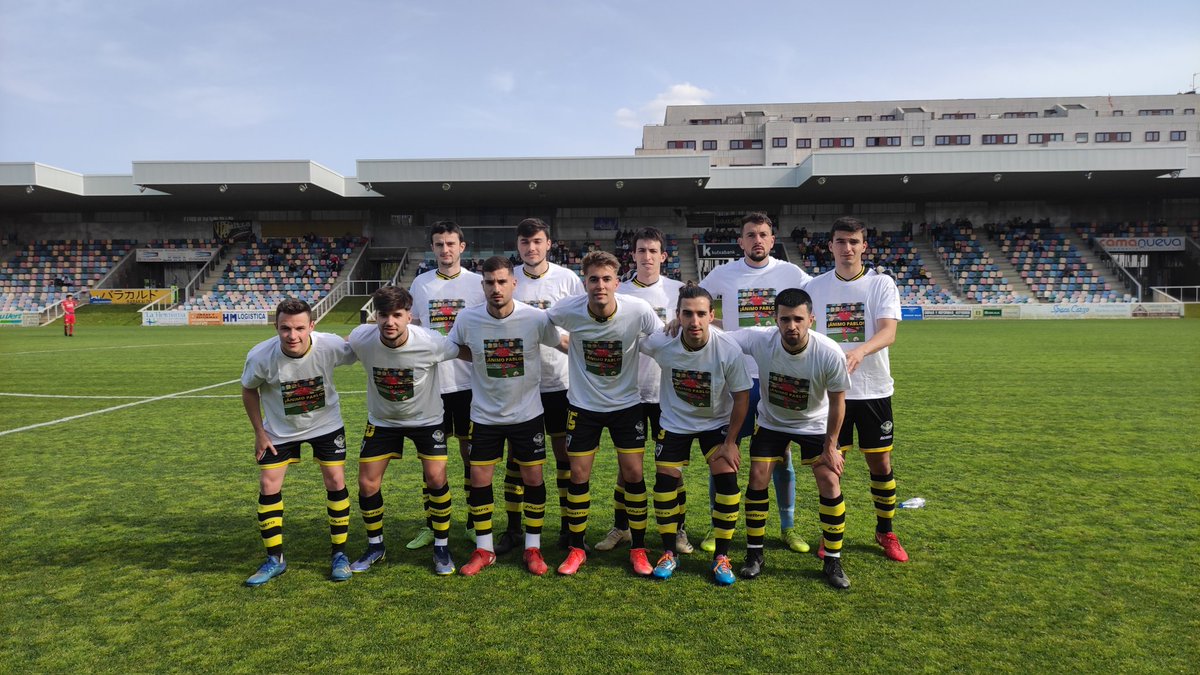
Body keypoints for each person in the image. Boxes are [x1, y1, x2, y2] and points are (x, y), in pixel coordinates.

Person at [698, 212, 813, 554]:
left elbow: (812, 306)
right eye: (750, 235)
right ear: (741, 241)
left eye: (763, 234)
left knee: (781, 455)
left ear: (772, 240)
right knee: (722, 454)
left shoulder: (792, 273)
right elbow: (698, 305)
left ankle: (788, 526)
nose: (757, 240)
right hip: (734, 378)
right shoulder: (723, 273)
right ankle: (717, 524)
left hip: (777, 376)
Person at [448, 256, 567, 576]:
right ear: (482, 285)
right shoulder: (468, 319)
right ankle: (484, 550)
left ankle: (533, 547)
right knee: (479, 480)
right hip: (484, 416)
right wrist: (478, 356)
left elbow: (563, 343)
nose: (496, 288)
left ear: (514, 283)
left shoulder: (535, 318)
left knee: (533, 480)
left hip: (528, 414)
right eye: (489, 282)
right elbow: (454, 346)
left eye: (502, 282)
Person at [725, 288, 852, 589]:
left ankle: (833, 559)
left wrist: (831, 447)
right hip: (772, 422)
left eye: (798, 319)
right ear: (776, 320)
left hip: (814, 424)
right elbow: (721, 337)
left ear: (811, 319)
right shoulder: (761, 339)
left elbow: (838, 402)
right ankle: (755, 554)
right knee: (757, 476)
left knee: (830, 480)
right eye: (785, 319)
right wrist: (686, 323)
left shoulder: (828, 351)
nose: (791, 326)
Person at [546, 251, 664, 576]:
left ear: (617, 281)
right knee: (579, 476)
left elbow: (662, 336)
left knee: (634, 476)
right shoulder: (568, 309)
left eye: (606, 279)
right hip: (583, 407)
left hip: (627, 406)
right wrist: (563, 344)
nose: (600, 285)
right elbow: (541, 326)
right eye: (594, 279)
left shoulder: (637, 309)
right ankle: (576, 548)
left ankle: (638, 548)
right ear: (585, 281)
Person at [803, 217, 908, 562]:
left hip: (873, 390)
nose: (847, 248)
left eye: (853, 241)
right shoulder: (815, 287)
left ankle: (885, 531)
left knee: (880, 463)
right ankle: (830, 535)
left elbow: (888, 332)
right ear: (830, 246)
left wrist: (860, 351)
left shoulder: (881, 284)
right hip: (832, 394)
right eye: (840, 241)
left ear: (864, 246)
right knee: (831, 466)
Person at [345, 286, 465, 576]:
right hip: (383, 421)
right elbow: (335, 349)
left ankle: (441, 546)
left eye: (397, 315)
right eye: (383, 315)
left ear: (409, 316)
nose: (390, 322)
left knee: (437, 478)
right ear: (375, 316)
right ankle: (376, 546)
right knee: (367, 484)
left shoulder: (431, 342)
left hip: (427, 420)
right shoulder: (363, 338)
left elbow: (464, 351)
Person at [241, 298, 358, 586]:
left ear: (311, 327)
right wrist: (259, 431)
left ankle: (339, 555)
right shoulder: (260, 356)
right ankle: (274, 559)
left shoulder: (329, 345)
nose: (292, 336)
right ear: (276, 327)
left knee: (335, 480)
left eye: (299, 328)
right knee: (268, 484)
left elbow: (359, 348)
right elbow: (248, 390)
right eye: (285, 329)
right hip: (280, 431)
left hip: (326, 425)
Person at [640, 284, 751, 585]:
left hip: (715, 424)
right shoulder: (664, 343)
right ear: (677, 315)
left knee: (727, 479)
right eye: (687, 314)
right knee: (664, 482)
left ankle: (722, 557)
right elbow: (630, 335)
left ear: (712, 315)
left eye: (701, 313)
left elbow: (742, 396)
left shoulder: (727, 349)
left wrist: (730, 442)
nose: (694, 321)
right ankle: (668, 552)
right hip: (675, 422)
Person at [598, 227, 689, 555]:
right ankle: (621, 527)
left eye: (653, 251)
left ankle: (679, 530)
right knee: (628, 468)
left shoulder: (680, 291)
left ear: (664, 256)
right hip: (631, 393)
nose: (647, 257)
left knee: (672, 467)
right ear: (632, 255)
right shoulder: (620, 295)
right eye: (641, 251)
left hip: (670, 394)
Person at [409, 221, 485, 547]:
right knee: (432, 462)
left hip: (470, 385)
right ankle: (432, 523)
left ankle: (472, 521)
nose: (445, 249)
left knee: (472, 456)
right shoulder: (421, 284)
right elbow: (411, 329)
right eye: (439, 244)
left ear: (462, 247)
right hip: (432, 385)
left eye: (451, 243)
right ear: (433, 248)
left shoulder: (478, 283)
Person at [511, 217, 584, 551]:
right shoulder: (509, 280)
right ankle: (514, 529)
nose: (531, 248)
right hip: (520, 386)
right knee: (517, 459)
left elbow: (582, 325)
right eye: (525, 243)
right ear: (518, 246)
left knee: (564, 455)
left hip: (561, 382)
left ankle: (569, 526)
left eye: (537, 241)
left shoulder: (567, 279)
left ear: (549, 244)